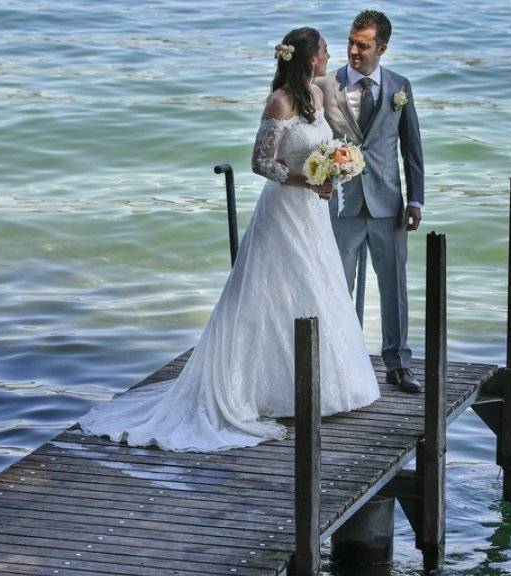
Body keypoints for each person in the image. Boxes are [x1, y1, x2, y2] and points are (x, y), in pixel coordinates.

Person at [77, 27, 380, 452]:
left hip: (312, 210)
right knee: (270, 290)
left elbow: (325, 141)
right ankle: (261, 389)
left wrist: (331, 171)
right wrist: (307, 179)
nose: (331, 55)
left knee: (315, 286)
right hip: (285, 209)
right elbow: (260, 163)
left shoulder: (314, 94)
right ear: (310, 58)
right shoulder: (280, 101)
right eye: (326, 50)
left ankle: (324, 382)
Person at [315, 10, 425, 393]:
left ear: (382, 48)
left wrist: (417, 200)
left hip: (388, 205)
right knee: (337, 288)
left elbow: (412, 149)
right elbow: (310, 140)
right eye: (350, 42)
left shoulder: (400, 86)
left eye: (362, 45)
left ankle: (398, 364)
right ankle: (341, 364)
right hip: (340, 204)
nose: (353, 51)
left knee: (394, 287)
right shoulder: (324, 85)